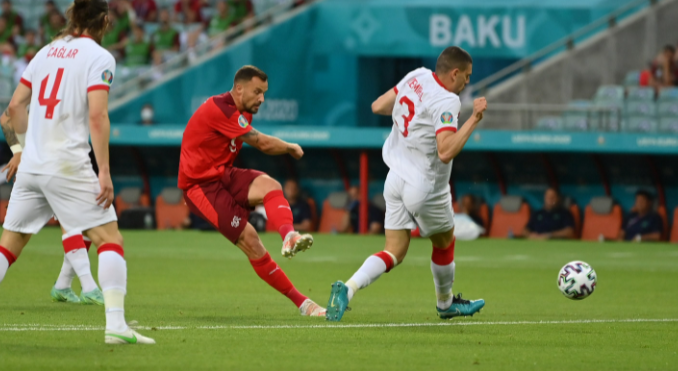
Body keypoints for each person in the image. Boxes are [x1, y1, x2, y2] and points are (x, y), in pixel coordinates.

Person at [0, 0, 154, 344]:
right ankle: (116, 326)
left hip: (32, 165)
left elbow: (12, 109)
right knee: (110, 239)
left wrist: (20, 149)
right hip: (67, 164)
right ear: (105, 20)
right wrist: (104, 171)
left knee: (7, 246)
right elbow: (97, 115)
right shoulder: (100, 57)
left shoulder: (44, 53)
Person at [327, 46, 488, 322]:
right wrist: (474, 119)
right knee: (445, 243)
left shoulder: (417, 76)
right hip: (424, 186)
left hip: (395, 179)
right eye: (467, 76)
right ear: (455, 73)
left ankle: (348, 288)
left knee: (394, 250)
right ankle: (446, 304)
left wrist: (411, 120)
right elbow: (446, 150)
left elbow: (378, 105)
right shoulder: (448, 101)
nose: (468, 82)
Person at [177, 65, 326, 318]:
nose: (262, 99)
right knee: (251, 240)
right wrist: (290, 147)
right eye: (257, 92)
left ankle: (289, 236)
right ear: (239, 88)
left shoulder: (242, 111)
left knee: (271, 185)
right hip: (200, 187)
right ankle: (304, 304)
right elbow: (263, 143)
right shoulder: (221, 109)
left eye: (264, 93)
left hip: (222, 173)